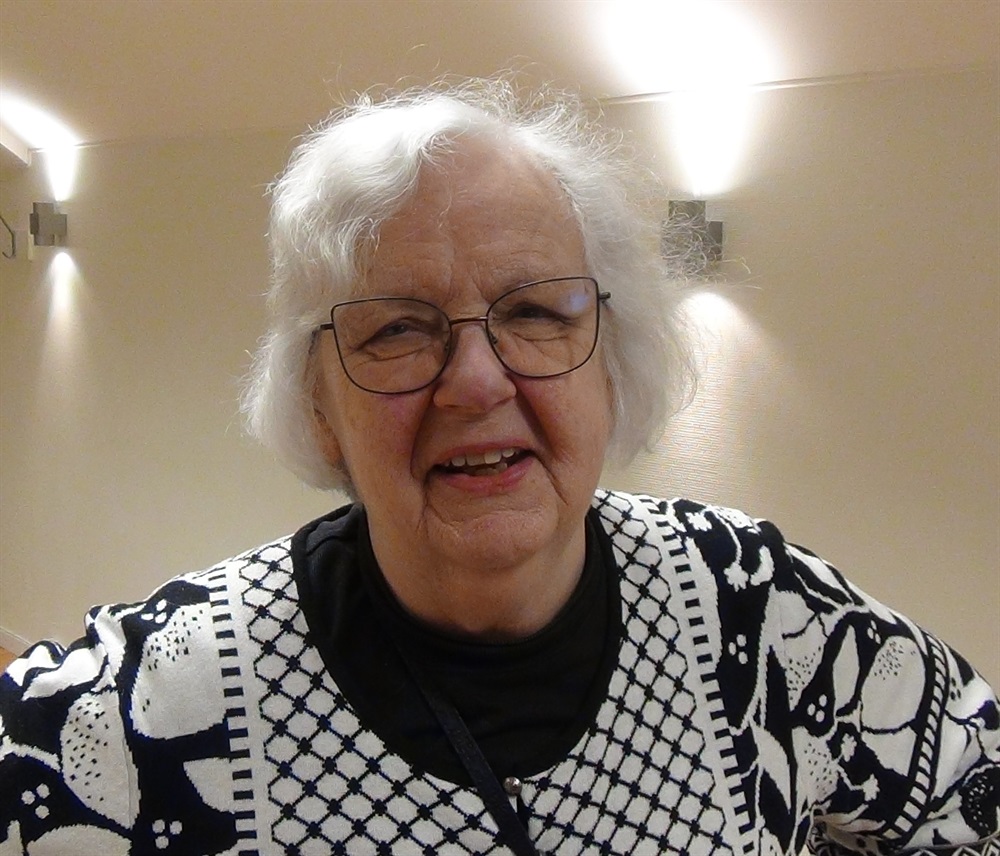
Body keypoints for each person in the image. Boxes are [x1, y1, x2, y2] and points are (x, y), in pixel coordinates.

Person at [1, 78, 997, 856]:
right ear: (319, 403)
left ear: (612, 365)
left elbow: (976, 787)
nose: (475, 381)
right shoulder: (156, 705)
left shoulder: (757, 608)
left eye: (533, 311)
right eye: (398, 328)